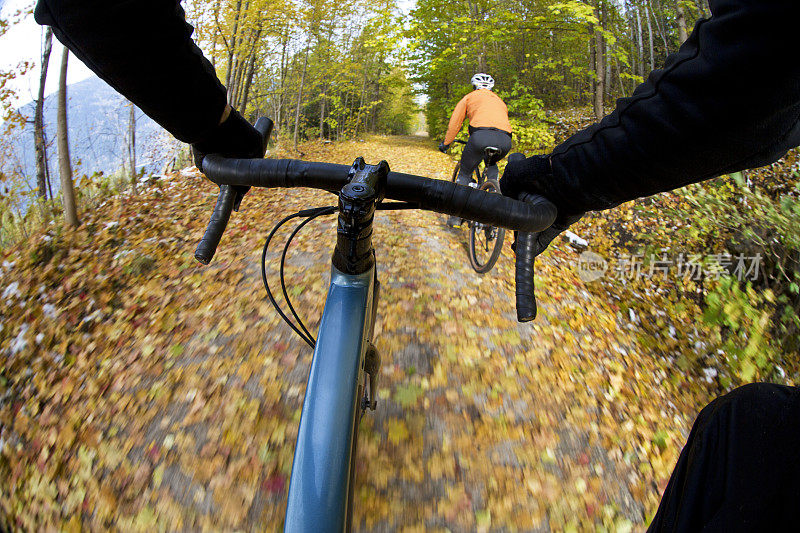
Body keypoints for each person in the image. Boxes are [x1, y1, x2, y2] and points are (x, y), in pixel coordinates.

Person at [33, 0, 800, 529]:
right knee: (746, 430)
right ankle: (484, 200)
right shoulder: (491, 102)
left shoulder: (471, 103)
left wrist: (218, 125)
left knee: (746, 434)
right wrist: (562, 177)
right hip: (523, 153)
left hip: (477, 145)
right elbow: (760, 64)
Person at [439, 73, 513, 227]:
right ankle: (494, 197)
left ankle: (455, 217)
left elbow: (455, 123)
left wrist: (446, 143)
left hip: (480, 137)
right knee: (491, 164)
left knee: (465, 172)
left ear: (474, 86)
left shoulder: (469, 97)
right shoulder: (500, 101)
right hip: (505, 140)